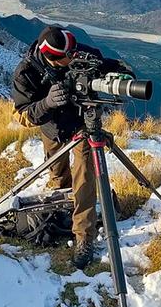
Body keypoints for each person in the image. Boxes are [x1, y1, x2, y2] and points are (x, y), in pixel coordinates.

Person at [11, 25, 133, 269]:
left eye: (75, 50)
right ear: (52, 57)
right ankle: (68, 208)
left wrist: (123, 73)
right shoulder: (26, 73)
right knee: (58, 176)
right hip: (52, 129)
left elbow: (105, 64)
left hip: (82, 124)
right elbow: (22, 115)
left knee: (84, 178)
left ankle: (83, 236)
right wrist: (46, 104)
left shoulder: (78, 53)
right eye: (69, 56)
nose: (75, 56)